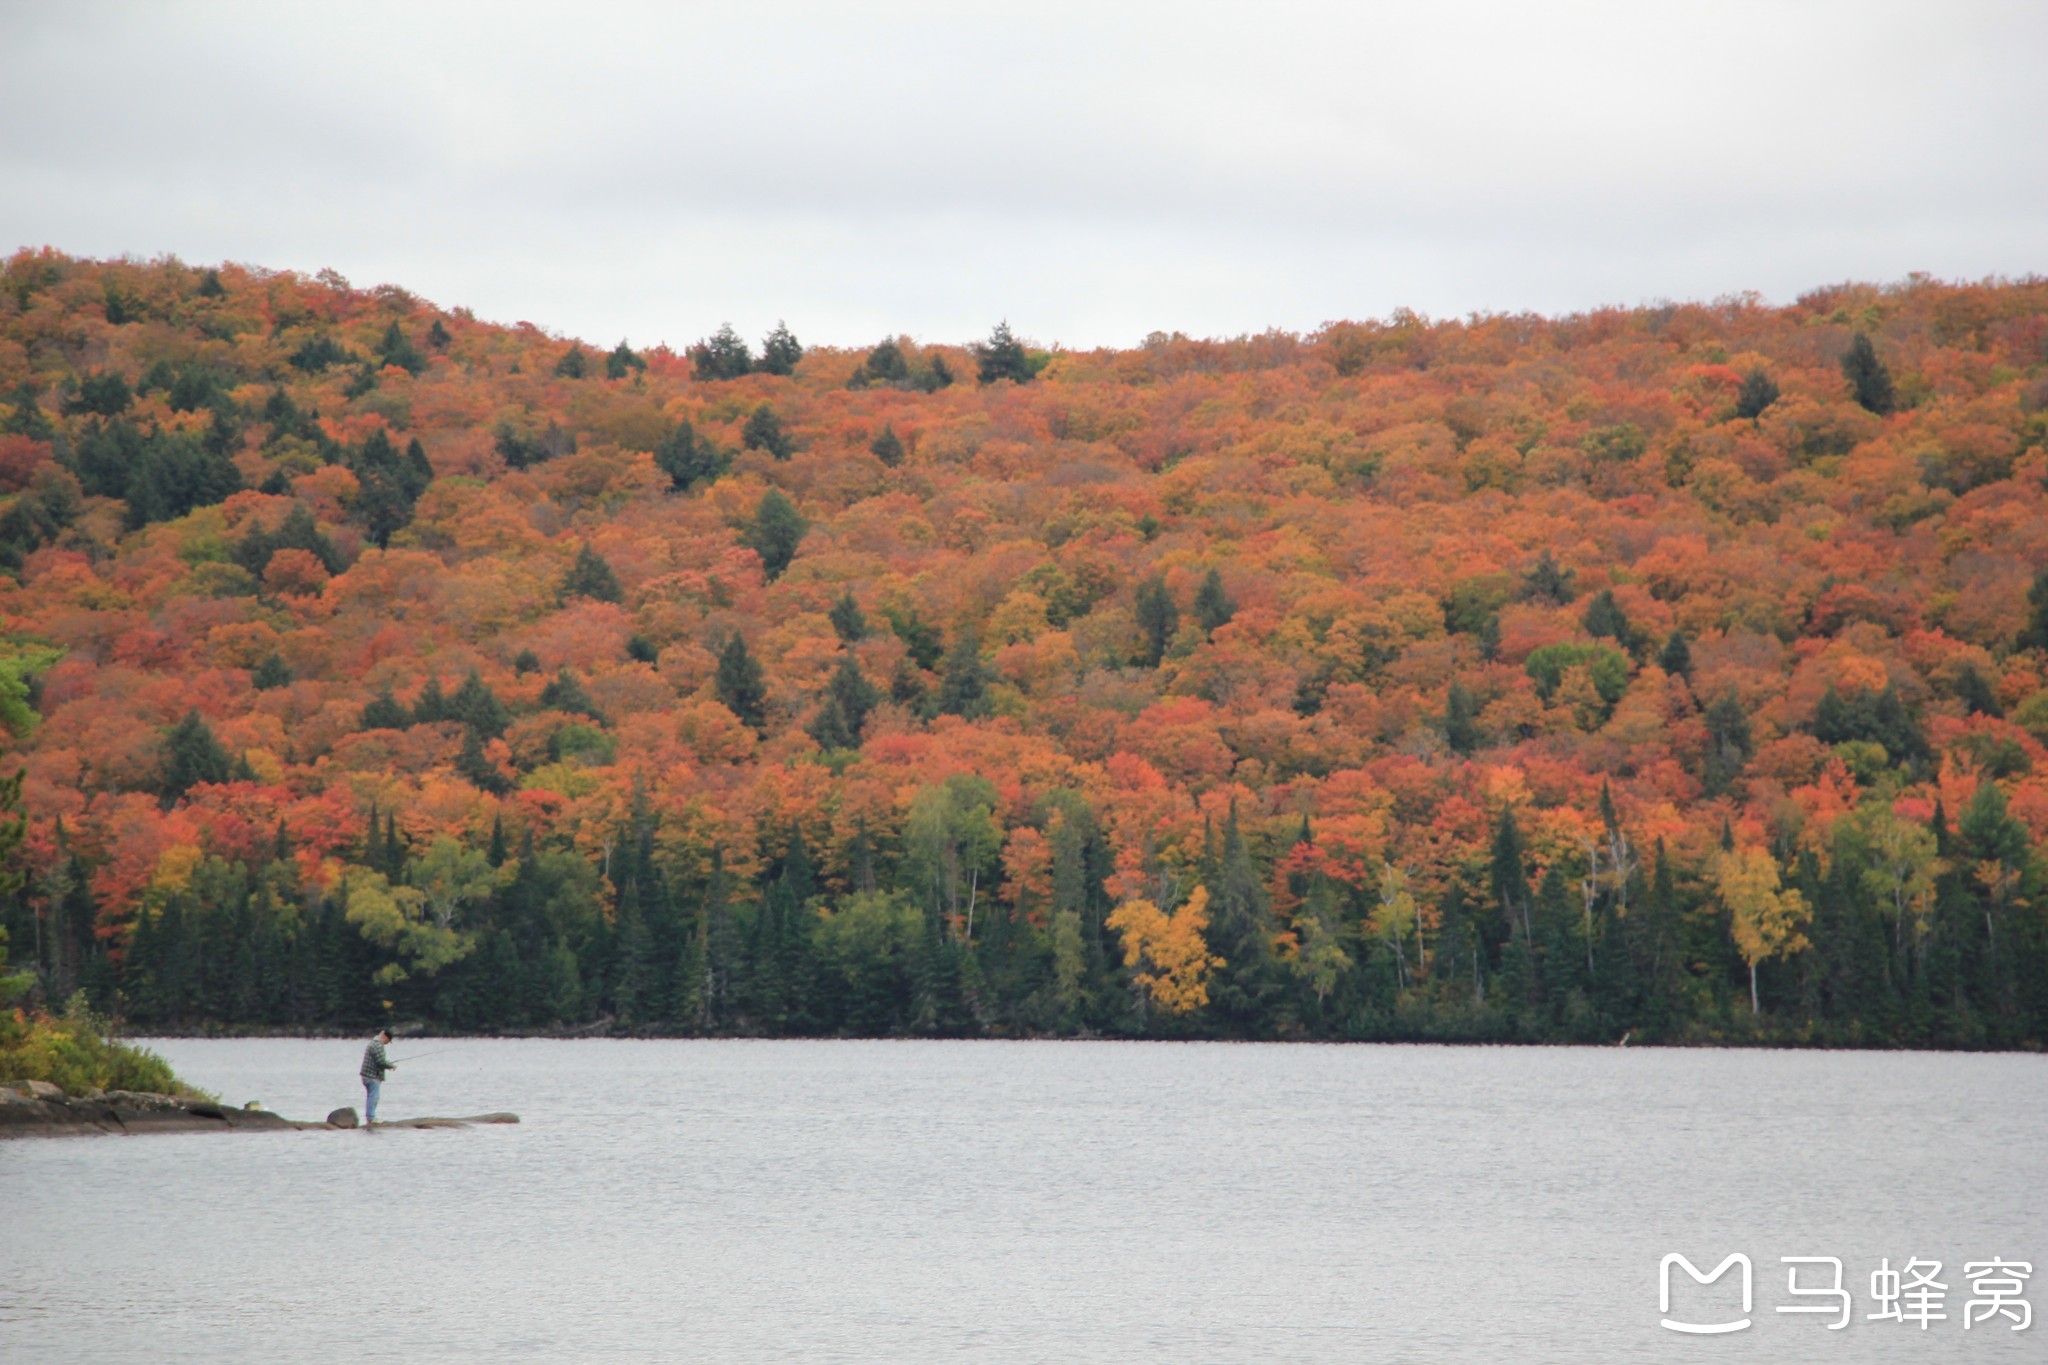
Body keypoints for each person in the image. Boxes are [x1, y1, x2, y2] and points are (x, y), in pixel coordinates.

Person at [360, 1029, 396, 1125]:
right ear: (384, 1037)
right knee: (374, 1097)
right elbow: (380, 1062)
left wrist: (387, 1064)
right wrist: (391, 1066)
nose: (387, 1043)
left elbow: (378, 1060)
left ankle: (369, 1118)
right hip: (372, 1076)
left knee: (371, 1097)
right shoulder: (378, 1045)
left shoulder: (372, 1043)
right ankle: (371, 1118)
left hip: (366, 1075)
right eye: (388, 1041)